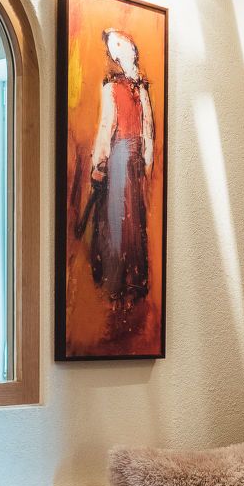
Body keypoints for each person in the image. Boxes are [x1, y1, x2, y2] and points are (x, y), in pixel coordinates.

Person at [76, 26, 154, 305]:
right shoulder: (139, 89)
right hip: (131, 159)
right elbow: (147, 134)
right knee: (130, 216)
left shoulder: (117, 88)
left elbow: (107, 128)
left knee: (116, 217)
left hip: (121, 157)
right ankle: (131, 279)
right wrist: (145, 163)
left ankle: (116, 280)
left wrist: (98, 162)